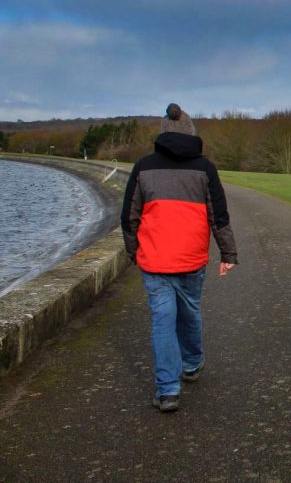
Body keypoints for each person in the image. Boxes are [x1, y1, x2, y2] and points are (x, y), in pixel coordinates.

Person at [121, 103, 239, 412]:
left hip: (155, 259)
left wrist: (133, 250)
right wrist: (228, 253)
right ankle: (192, 363)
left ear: (162, 132)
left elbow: (129, 216)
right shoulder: (205, 168)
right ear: (191, 133)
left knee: (163, 320)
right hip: (191, 259)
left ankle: (168, 391)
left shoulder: (143, 166)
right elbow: (220, 216)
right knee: (189, 313)